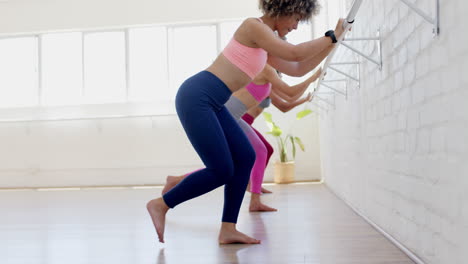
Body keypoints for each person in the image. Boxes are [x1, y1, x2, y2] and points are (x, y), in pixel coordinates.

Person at [147, 0, 345, 244]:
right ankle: (161, 205)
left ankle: (228, 228)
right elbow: (295, 53)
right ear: (284, 8)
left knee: (246, 156)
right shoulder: (253, 27)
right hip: (197, 97)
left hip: (214, 103)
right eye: (296, 19)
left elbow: (298, 67)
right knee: (221, 170)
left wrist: (334, 42)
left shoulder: (265, 46)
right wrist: (331, 37)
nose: (295, 26)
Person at [162, 65, 322, 213]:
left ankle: (252, 186)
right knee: (254, 153)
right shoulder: (263, 72)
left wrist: (307, 97)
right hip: (231, 116)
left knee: (253, 154)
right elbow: (290, 93)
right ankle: (254, 195)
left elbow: (285, 105)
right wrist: (313, 77)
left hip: (238, 119)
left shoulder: (268, 83)